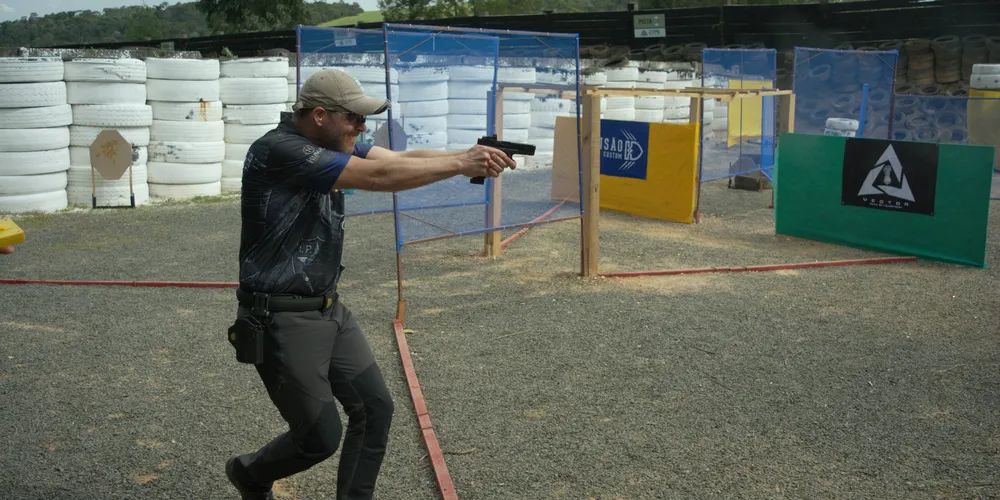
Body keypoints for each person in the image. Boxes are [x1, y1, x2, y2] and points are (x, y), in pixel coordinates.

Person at [225, 68, 516, 500]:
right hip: (279, 317)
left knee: (376, 409)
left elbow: (396, 160)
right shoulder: (279, 149)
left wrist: (469, 153)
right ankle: (250, 473)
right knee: (319, 438)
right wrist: (460, 164)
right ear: (320, 115)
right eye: (355, 119)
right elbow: (377, 179)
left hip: (328, 309)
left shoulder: (328, 140)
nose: (362, 128)